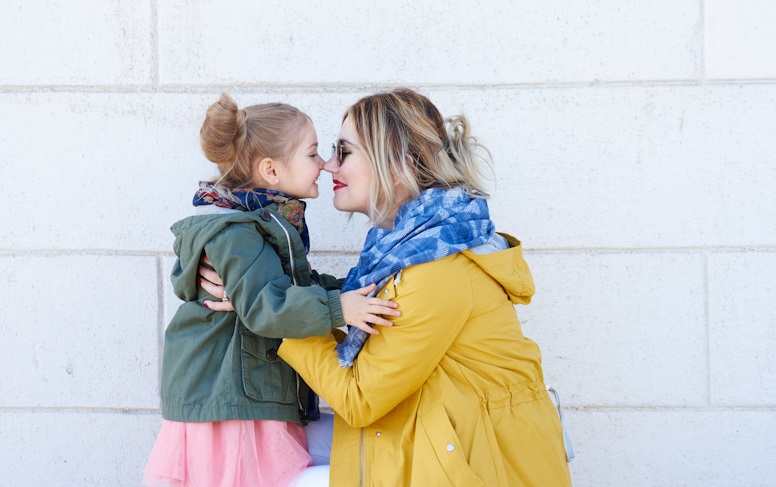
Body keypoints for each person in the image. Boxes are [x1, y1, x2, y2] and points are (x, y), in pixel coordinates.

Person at [203, 88, 573, 486]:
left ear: (396, 164)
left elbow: (358, 399)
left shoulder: (436, 268)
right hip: (440, 440)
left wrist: (274, 311)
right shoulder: (407, 249)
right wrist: (264, 288)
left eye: (343, 151)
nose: (329, 166)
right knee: (238, 456)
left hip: (479, 469)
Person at [143, 93, 399, 487]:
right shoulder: (238, 232)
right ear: (271, 171)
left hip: (245, 396)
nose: (324, 164)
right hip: (233, 405)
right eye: (313, 154)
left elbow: (293, 286)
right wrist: (338, 308)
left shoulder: (259, 224)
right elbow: (267, 306)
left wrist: (353, 288)